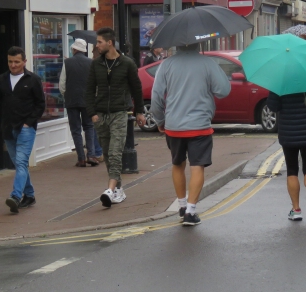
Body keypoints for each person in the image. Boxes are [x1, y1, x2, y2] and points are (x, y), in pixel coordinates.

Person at [151, 42, 231, 226]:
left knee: (177, 164)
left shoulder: (166, 64)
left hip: (174, 125)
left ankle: (181, 205)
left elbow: (156, 96)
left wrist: (160, 120)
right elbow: (224, 91)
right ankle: (191, 211)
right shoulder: (207, 63)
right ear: (198, 43)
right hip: (199, 125)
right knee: (197, 167)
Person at [85, 28, 146, 208]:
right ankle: (118, 189)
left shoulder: (127, 64)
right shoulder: (96, 64)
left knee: (115, 152)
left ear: (109, 43)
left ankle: (110, 190)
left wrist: (139, 112)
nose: (97, 46)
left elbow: (137, 89)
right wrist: (92, 114)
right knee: (106, 153)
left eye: (99, 42)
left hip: (119, 113)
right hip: (100, 115)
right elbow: (88, 90)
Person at [0, 46, 45, 213]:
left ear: (24, 61)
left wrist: (28, 123)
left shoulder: (33, 80)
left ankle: (16, 196)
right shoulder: (2, 79)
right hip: (7, 128)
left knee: (21, 162)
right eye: (10, 62)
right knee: (19, 164)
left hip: (26, 128)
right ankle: (29, 195)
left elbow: (40, 105)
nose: (13, 65)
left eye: (17, 62)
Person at [267, 76, 306, 222]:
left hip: (289, 131)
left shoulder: (279, 78)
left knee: (292, 170)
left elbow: (272, 106)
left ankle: (296, 210)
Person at [60, 38, 99, 167]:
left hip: (71, 100)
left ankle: (81, 158)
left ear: (74, 49)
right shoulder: (91, 63)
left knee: (76, 129)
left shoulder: (67, 62)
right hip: (88, 101)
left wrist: (66, 94)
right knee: (89, 127)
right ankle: (91, 155)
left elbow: (62, 84)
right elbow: (96, 83)